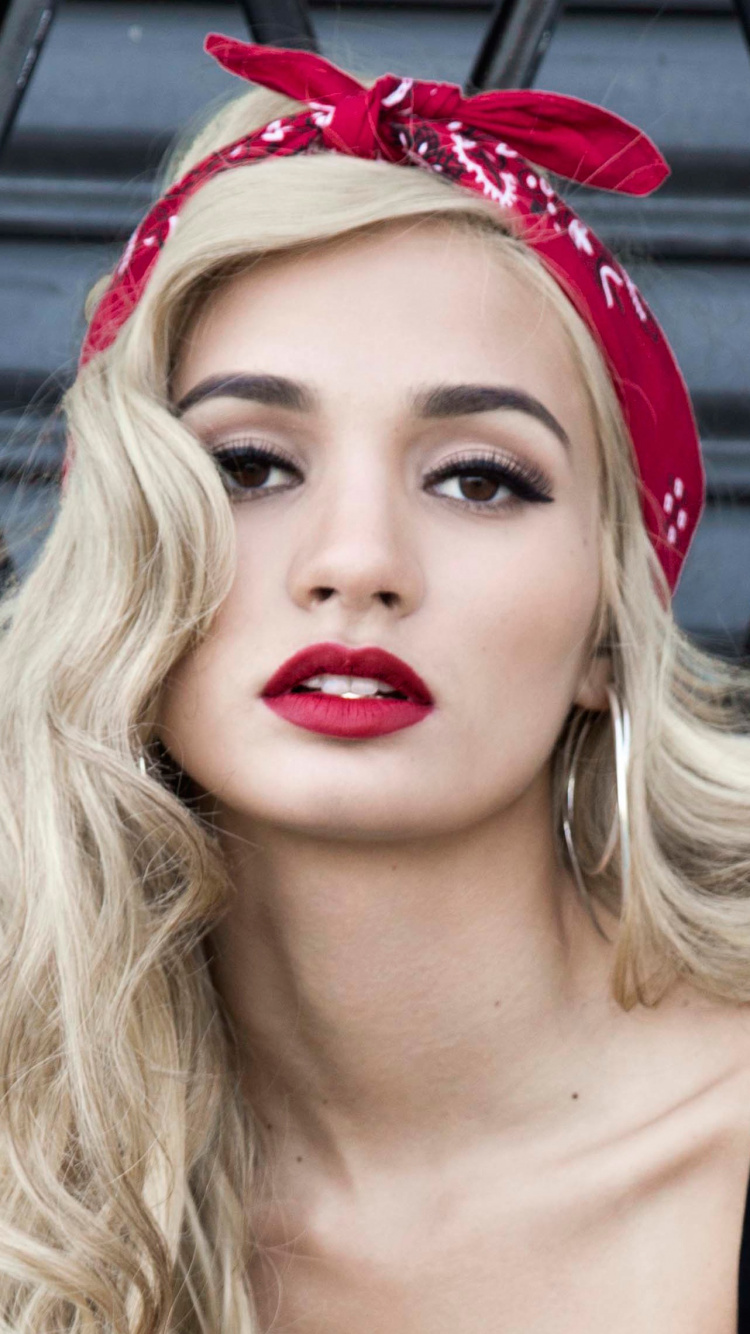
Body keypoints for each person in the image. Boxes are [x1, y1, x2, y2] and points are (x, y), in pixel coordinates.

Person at [1, 33, 749, 1334]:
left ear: (607, 627)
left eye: (478, 478)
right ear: (128, 553)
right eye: (248, 466)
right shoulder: (39, 1180)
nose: (357, 562)